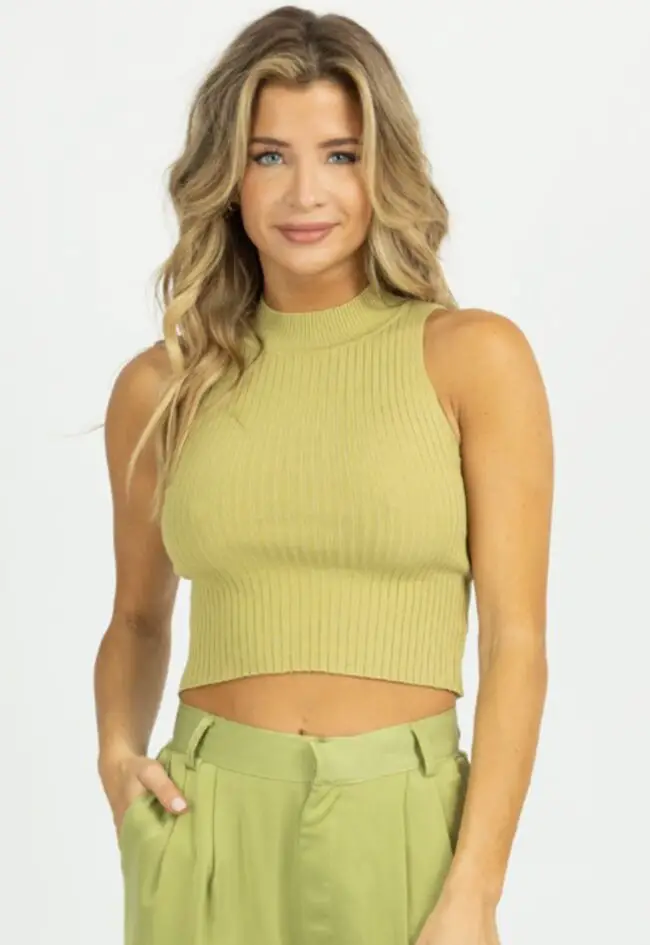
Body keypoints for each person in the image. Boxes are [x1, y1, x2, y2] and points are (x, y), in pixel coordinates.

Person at [94, 6, 554, 945]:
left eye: (340, 155)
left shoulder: (474, 359)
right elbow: (138, 616)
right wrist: (115, 757)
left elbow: (516, 641)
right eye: (269, 156)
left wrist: (475, 887)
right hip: (206, 819)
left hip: (403, 823)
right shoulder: (162, 386)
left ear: (385, 167)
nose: (306, 193)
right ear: (227, 177)